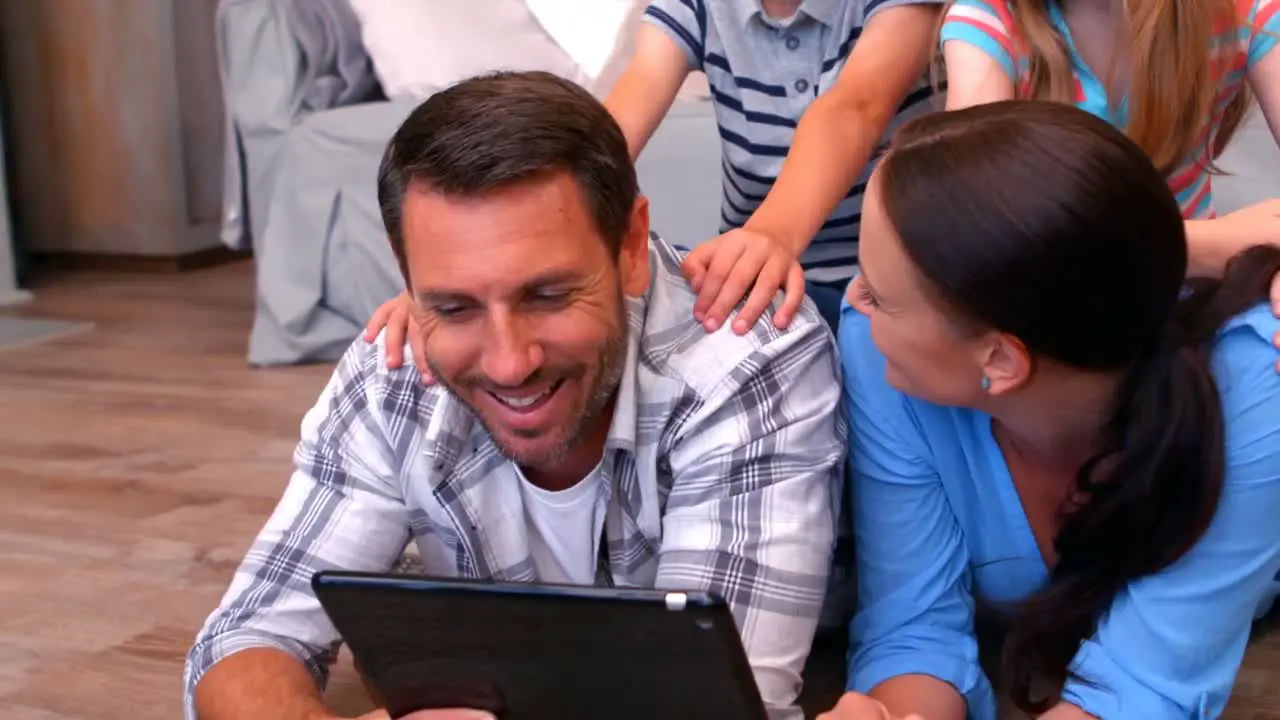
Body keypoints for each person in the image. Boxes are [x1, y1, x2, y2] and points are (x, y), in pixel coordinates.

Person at [184, 71, 846, 720]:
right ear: (406, 274)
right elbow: (240, 643)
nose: (508, 363)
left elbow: (712, 710)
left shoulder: (746, 363)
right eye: (454, 305)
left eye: (549, 295)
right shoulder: (392, 369)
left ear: (632, 245)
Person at [824, 101, 1280, 720]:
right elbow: (911, 624)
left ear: (1002, 361)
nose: (854, 302)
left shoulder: (1256, 390)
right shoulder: (881, 358)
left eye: (878, 293)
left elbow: (1147, 682)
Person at [364, 0, 947, 381]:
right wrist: (459, 284)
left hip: (882, 274)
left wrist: (772, 232)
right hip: (761, 267)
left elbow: (853, 106)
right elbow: (618, 116)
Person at [939, 0, 1280, 312]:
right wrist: (1206, 247)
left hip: (1192, 296)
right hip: (1054, 306)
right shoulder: (989, 22)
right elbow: (977, 229)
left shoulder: (1240, 10)